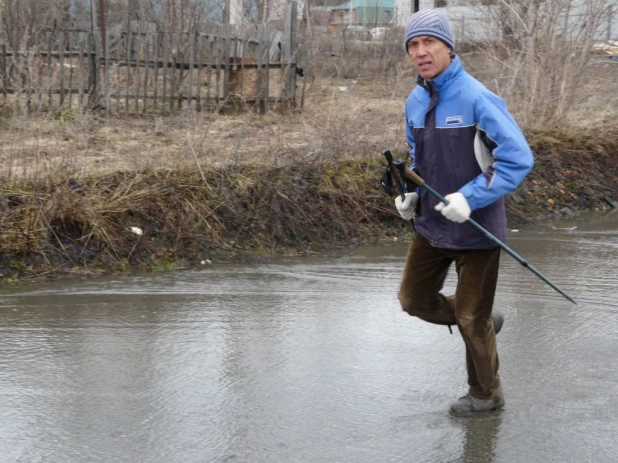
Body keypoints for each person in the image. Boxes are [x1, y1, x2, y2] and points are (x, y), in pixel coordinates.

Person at [394, 9, 534, 416]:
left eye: (429, 43)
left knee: (471, 322)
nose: (421, 52)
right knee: (412, 300)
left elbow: (517, 158)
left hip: (477, 230)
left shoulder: (477, 97)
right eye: (413, 45)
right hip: (431, 226)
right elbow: (417, 158)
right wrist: (409, 193)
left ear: (449, 47)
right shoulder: (415, 101)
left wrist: (470, 198)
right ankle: (485, 318)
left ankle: (486, 394)